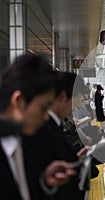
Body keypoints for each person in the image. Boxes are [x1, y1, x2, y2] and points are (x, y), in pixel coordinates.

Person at [0, 54, 75, 200]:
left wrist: (45, 182)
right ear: (19, 100)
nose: (46, 117)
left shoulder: (17, 143)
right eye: (43, 108)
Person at [22, 72, 99, 200]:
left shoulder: (51, 126)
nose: (75, 108)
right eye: (75, 102)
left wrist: (75, 160)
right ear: (63, 97)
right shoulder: (44, 130)